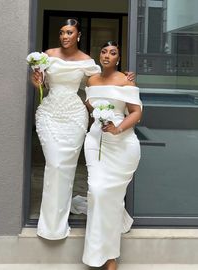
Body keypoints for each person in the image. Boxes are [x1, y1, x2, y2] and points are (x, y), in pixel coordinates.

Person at [31, 19, 135, 240]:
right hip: (49, 113)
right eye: (61, 32)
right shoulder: (47, 55)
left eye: (69, 32)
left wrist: (124, 79)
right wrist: (37, 82)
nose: (64, 36)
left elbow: (100, 83)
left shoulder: (87, 61)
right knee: (55, 164)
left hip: (74, 116)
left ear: (78, 35)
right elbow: (41, 85)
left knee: (66, 167)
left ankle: (62, 215)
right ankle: (51, 226)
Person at [82, 41, 142, 270]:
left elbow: (137, 112)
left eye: (113, 53)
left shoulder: (125, 80)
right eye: (104, 51)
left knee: (111, 198)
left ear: (118, 59)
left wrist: (117, 128)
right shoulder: (91, 81)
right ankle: (100, 254)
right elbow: (91, 107)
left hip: (123, 145)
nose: (107, 55)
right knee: (97, 192)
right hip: (96, 141)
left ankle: (110, 257)